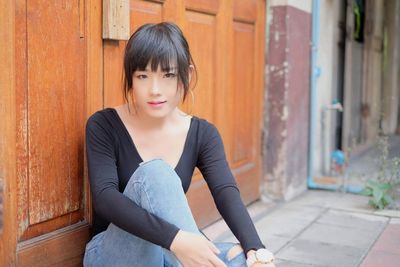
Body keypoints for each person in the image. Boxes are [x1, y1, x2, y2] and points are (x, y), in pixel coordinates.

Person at [84, 22, 276, 267]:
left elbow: (226, 192)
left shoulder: (203, 133)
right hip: (114, 254)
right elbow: (105, 198)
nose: (155, 90)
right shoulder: (103, 124)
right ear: (131, 79)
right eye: (143, 76)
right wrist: (175, 239)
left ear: (187, 75)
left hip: (168, 253)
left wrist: (255, 248)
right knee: (156, 172)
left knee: (242, 257)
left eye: (168, 75)